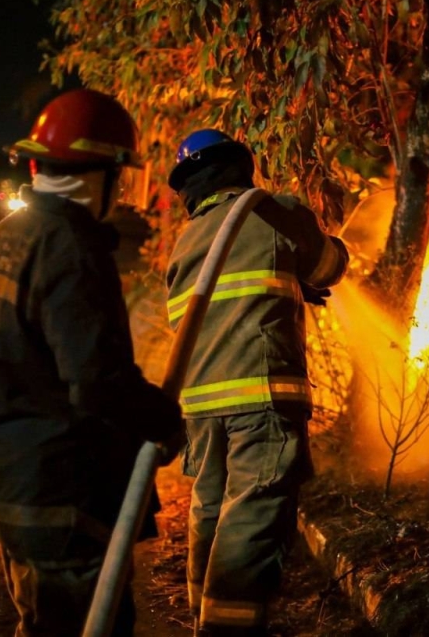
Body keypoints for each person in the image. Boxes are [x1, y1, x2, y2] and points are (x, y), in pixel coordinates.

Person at [0, 89, 184, 636]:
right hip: (66, 493)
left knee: (41, 624)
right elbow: (96, 381)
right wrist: (162, 419)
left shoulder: (8, 236)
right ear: (102, 173)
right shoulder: (71, 247)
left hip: (15, 481)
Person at [164, 129, 349, 636]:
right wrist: (307, 268)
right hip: (261, 397)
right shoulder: (272, 210)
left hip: (200, 406)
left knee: (209, 509)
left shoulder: (187, 240)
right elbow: (330, 266)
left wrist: (287, 281)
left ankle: (203, 613)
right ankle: (230, 630)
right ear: (239, 167)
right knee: (252, 513)